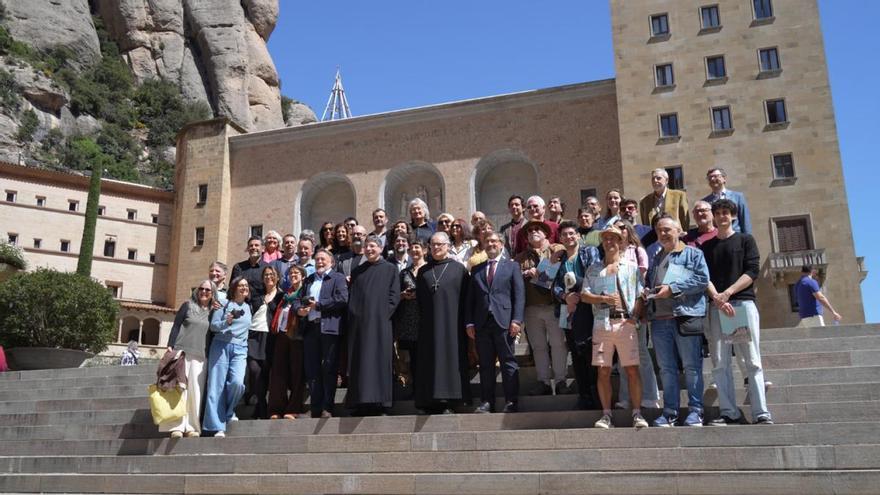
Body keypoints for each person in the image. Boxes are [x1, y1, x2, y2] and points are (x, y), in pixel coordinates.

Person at [700, 198, 773, 425]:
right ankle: (729, 412)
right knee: (720, 363)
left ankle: (761, 412)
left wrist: (727, 293)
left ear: (733, 216)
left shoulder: (745, 240)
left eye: (726, 213)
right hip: (717, 307)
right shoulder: (707, 247)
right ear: (713, 216)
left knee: (751, 360)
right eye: (718, 212)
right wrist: (717, 298)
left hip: (741, 304)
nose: (722, 216)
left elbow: (752, 271)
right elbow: (704, 276)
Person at [581, 225, 649, 429]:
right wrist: (603, 298)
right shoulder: (594, 269)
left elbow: (640, 295)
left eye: (614, 238)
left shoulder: (631, 266)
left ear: (620, 242)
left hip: (624, 322)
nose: (609, 242)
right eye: (606, 238)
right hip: (602, 323)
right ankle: (606, 414)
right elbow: (584, 295)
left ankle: (637, 413)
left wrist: (634, 317)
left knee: (631, 369)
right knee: (603, 370)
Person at [645, 216, 710, 427]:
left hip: (685, 316)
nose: (662, 234)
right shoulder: (655, 258)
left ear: (679, 230)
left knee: (692, 367)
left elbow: (702, 279)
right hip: (660, 320)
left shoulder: (693, 254)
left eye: (667, 230)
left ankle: (696, 411)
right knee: (666, 369)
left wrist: (673, 289)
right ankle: (670, 412)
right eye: (659, 231)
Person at [466, 232, 525, 413]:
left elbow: (519, 295)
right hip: (482, 323)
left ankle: (511, 401)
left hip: (505, 322)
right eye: (487, 241)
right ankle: (487, 402)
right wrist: (469, 323)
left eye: (494, 241)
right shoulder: (476, 269)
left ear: (501, 244)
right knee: (485, 364)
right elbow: (470, 299)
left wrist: (516, 320)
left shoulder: (512, 266)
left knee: (508, 362)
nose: (490, 244)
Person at [414, 232, 471, 414]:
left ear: (447, 246)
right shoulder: (423, 272)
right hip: (429, 326)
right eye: (433, 245)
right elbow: (420, 302)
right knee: (429, 362)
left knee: (451, 360)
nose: (436, 248)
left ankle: (451, 400)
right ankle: (429, 401)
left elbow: (466, 299)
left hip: (452, 325)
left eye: (440, 244)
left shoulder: (459, 270)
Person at [345, 235, 401, 415]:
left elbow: (394, 296)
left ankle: (380, 404)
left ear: (380, 248)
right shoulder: (358, 271)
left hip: (380, 324)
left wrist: (382, 315)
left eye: (372, 246)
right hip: (359, 325)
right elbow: (352, 298)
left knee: (379, 362)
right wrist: (356, 316)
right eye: (366, 247)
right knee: (360, 364)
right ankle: (361, 403)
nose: (369, 249)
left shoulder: (390, 269)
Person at [613, 219, 661, 411]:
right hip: (617, 311)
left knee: (641, 352)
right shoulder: (610, 254)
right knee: (623, 356)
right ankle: (626, 398)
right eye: (615, 228)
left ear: (629, 230)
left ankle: (650, 396)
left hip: (636, 308)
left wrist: (637, 309)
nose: (619, 231)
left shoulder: (637, 251)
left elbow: (642, 281)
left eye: (622, 227)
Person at [552, 221, 600, 409]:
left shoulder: (589, 252)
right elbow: (552, 285)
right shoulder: (559, 259)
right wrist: (565, 296)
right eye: (564, 235)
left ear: (578, 236)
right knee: (576, 353)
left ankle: (595, 393)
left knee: (589, 352)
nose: (568, 237)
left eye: (572, 233)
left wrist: (577, 295)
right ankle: (584, 395)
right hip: (568, 311)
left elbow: (594, 275)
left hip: (588, 309)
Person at [516, 220, 567, 395]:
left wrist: (539, 271)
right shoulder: (520, 258)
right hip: (531, 308)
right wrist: (524, 274)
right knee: (538, 347)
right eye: (529, 231)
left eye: (537, 229)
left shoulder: (556, 249)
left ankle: (561, 381)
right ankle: (544, 382)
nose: (533, 232)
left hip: (553, 305)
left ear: (545, 233)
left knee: (558, 344)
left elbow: (561, 254)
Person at [300, 250, 349, 418]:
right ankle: (315, 408)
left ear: (332, 262)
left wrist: (319, 305)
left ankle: (327, 407)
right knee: (312, 369)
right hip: (311, 329)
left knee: (329, 368)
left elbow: (342, 299)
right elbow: (299, 300)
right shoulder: (309, 280)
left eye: (323, 259)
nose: (319, 262)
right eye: (317, 259)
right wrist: (300, 309)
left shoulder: (338, 278)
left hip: (329, 328)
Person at [163, 279, 214, 437]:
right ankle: (176, 427)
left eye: (207, 290)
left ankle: (192, 427)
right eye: (201, 289)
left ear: (213, 294)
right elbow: (176, 325)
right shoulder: (187, 306)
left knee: (196, 392)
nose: (204, 292)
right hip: (182, 352)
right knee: (179, 390)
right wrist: (170, 344)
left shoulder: (214, 311)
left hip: (201, 355)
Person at [204, 276, 251, 437]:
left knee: (238, 383)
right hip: (221, 345)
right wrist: (227, 322)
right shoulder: (223, 303)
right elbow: (214, 326)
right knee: (216, 386)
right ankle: (217, 426)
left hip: (240, 348)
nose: (244, 287)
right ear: (234, 288)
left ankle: (229, 411)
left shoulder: (248, 307)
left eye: (246, 285)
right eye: (241, 285)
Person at [267, 265, 308, 419]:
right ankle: (276, 409)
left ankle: (293, 408)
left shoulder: (305, 292)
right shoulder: (285, 295)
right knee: (278, 373)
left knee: (297, 373)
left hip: (297, 336)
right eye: (291, 273)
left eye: (296, 273)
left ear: (303, 276)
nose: (293, 275)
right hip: (282, 335)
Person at [244, 265, 284, 419]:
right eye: (266, 275)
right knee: (254, 370)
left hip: (271, 337)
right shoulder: (256, 297)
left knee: (265, 372)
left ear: (277, 278)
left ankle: (262, 406)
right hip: (254, 336)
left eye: (271, 274)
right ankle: (261, 403)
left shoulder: (281, 296)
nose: (268, 277)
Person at [393, 234, 426, 389]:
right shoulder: (404, 273)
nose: (414, 251)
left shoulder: (429, 269)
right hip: (408, 321)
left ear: (425, 250)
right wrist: (403, 295)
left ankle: (425, 389)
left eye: (417, 248)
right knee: (411, 357)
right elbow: (395, 294)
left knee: (425, 356)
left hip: (425, 319)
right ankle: (415, 389)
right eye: (411, 248)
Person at [703, 167, 752, 234]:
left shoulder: (737, 197)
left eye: (715, 176)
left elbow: (745, 220)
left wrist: (747, 240)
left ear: (724, 178)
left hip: (736, 237)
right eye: (709, 178)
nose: (712, 179)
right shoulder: (705, 202)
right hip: (716, 239)